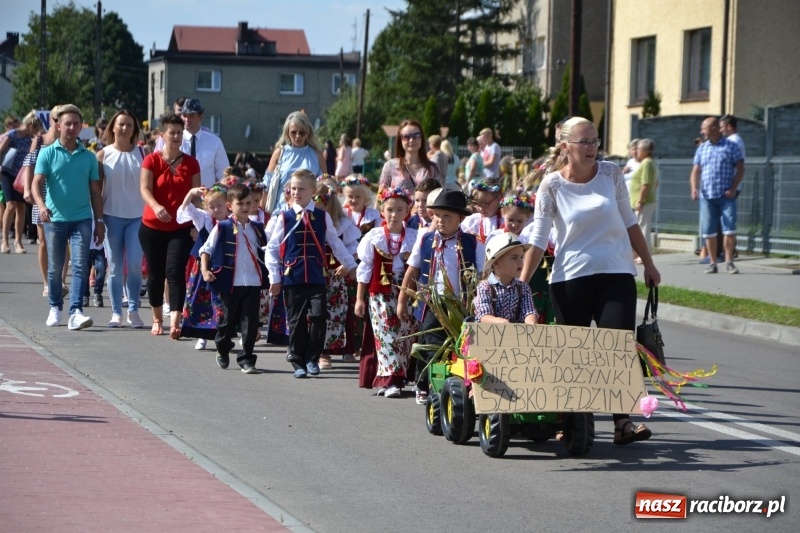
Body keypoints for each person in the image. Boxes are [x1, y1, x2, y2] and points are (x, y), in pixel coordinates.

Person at [519, 116, 659, 446]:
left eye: (595, 141)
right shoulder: (551, 185)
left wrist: (649, 263)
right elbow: (539, 237)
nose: (592, 148)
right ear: (566, 146)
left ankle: (622, 423)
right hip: (571, 278)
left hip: (617, 273)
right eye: (585, 142)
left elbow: (629, 222)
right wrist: (521, 282)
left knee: (616, 348)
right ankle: (569, 423)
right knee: (574, 355)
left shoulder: (611, 174)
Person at [266, 169, 358, 379]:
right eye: (293, 188)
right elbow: (272, 248)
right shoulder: (285, 217)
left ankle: (312, 357)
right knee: (296, 320)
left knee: (318, 316)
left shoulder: (321, 216)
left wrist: (351, 265)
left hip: (317, 274)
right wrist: (275, 277)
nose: (296, 192)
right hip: (293, 275)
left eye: (301, 188)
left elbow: (336, 243)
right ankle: (297, 360)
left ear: (313, 191)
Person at [397, 185, 484, 404]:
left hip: (462, 304)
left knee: (461, 346)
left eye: (447, 215)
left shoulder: (473, 243)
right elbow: (413, 269)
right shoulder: (425, 239)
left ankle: (456, 384)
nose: (441, 220)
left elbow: (482, 275)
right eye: (437, 215)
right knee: (431, 344)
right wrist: (402, 300)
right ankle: (425, 384)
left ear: (460, 218)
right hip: (431, 303)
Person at [32, 104, 104, 330]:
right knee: (55, 267)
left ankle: (75, 312)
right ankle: (55, 307)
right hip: (55, 219)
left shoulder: (88, 157)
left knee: (81, 265)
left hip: (82, 218)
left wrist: (99, 222)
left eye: (76, 124)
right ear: (58, 125)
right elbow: (36, 184)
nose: (72, 128)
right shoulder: (47, 152)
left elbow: (95, 191)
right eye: (67, 123)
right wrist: (41, 205)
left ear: (81, 127)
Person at [139, 112, 201, 338]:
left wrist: (199, 220)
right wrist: (156, 206)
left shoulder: (192, 163)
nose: (176, 136)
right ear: (162, 135)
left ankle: (175, 321)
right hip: (152, 227)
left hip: (180, 228)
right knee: (156, 274)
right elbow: (145, 189)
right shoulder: (151, 160)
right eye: (171, 132)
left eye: (179, 132)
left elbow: (195, 197)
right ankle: (157, 319)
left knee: (175, 272)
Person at [355, 187, 418, 397]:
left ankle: (401, 377)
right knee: (386, 334)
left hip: (406, 290)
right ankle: (390, 380)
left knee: (405, 334)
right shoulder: (374, 236)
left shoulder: (413, 236)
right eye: (390, 209)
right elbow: (365, 269)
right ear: (382, 210)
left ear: (407, 211)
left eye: (399, 210)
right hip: (380, 293)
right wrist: (359, 299)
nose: (394, 214)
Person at [200, 183, 268, 374]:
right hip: (231, 283)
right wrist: (205, 270)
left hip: (253, 282)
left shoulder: (257, 228)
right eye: (241, 203)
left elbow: (267, 250)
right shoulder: (222, 227)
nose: (246, 207)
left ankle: (247, 359)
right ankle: (222, 347)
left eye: (249, 203)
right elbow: (206, 249)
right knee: (226, 322)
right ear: (230, 205)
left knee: (250, 323)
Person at [97, 109, 146, 328]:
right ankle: (116, 312)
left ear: (134, 129)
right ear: (113, 128)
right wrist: (97, 219)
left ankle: (133, 310)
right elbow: (96, 190)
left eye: (129, 124)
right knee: (115, 266)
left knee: (135, 265)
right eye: (121, 124)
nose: (124, 128)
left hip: (138, 217)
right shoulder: (103, 154)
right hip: (111, 216)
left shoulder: (144, 154)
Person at [177, 183, 229, 350]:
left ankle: (227, 333)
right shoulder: (204, 219)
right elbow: (183, 212)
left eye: (219, 205)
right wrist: (190, 193)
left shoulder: (232, 219)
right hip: (203, 265)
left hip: (225, 264)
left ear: (227, 204)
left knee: (224, 301)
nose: (216, 209)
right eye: (211, 206)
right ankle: (201, 334)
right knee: (200, 298)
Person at [690, 117, 744, 275]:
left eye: (703, 128)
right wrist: (694, 188)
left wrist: (734, 188)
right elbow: (695, 171)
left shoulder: (731, 146)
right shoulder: (702, 148)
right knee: (709, 232)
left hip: (726, 196)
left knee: (729, 230)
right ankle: (713, 263)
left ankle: (729, 262)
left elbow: (741, 168)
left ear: (713, 128)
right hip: (706, 196)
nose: (701, 131)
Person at [314, 181, 360, 369]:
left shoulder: (342, 223)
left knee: (335, 311)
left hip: (335, 274)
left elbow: (355, 247)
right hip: (313, 271)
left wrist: (346, 264)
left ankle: (332, 350)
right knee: (314, 312)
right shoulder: (307, 219)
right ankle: (315, 350)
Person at [23, 106, 65, 297]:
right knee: (43, 242)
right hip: (41, 194)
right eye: (57, 118)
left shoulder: (70, 140)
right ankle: (47, 283)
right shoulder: (39, 140)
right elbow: (29, 165)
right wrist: (26, 189)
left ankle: (61, 281)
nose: (59, 122)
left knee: (63, 241)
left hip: (63, 195)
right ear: (51, 120)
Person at [264, 112, 326, 213]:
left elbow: (323, 186)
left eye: (302, 132)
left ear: (308, 133)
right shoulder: (279, 153)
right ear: (287, 133)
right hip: (281, 211)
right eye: (293, 132)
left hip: (309, 212)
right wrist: (263, 213)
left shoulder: (317, 155)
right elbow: (267, 183)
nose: (298, 136)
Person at [1, 111, 43, 254]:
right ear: (31, 125)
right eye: (36, 129)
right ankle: (5, 241)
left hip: (22, 175)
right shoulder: (13, 134)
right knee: (10, 205)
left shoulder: (31, 139)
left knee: (21, 207)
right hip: (7, 173)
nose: (37, 132)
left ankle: (18, 242)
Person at [474, 233, 538, 325]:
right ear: (497, 262)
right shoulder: (485, 287)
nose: (520, 262)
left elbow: (529, 310)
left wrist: (531, 322)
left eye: (521, 257)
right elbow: (484, 315)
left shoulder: (523, 288)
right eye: (514, 258)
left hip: (516, 336)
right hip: (490, 336)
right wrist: (503, 323)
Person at [378, 120, 441, 196]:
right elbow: (380, 197)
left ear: (421, 138)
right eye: (406, 137)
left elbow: (438, 198)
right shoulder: (390, 166)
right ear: (400, 140)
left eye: (416, 135)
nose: (411, 140)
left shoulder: (432, 168)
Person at [179, 98, 228, 187]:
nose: (187, 119)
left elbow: (224, 174)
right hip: (181, 198)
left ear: (201, 117)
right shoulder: (175, 140)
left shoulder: (214, 142)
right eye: (184, 115)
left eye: (192, 115)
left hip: (206, 197)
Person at [720, 114, 745, 259]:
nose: (721, 131)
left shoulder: (733, 141)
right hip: (732, 185)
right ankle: (728, 250)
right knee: (726, 221)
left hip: (731, 185)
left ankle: (730, 251)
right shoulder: (734, 140)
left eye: (722, 127)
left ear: (729, 127)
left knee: (727, 221)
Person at [629, 138, 658, 260]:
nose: (637, 151)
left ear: (646, 151)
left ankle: (644, 257)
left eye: (639, 149)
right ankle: (639, 255)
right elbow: (656, 183)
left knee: (642, 229)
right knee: (642, 228)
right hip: (646, 200)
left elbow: (645, 183)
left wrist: (640, 201)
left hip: (644, 202)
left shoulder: (646, 163)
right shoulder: (650, 162)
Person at [462, 179, 504, 244]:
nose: (481, 209)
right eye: (477, 204)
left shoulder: (506, 221)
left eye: (486, 204)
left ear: (499, 198)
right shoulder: (471, 222)